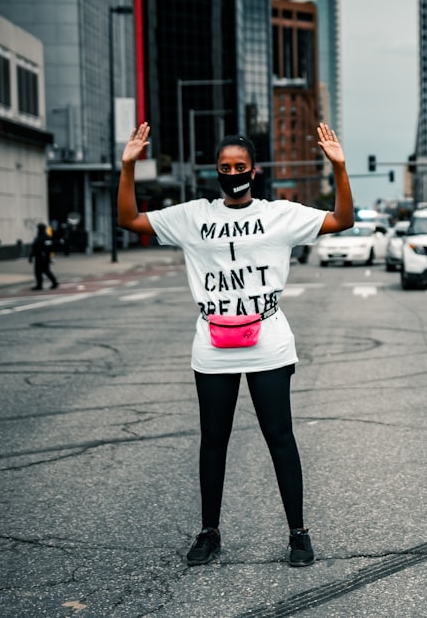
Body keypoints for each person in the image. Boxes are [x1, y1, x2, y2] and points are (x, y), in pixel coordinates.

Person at [117, 122, 354, 567]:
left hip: (268, 342)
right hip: (212, 344)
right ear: (216, 172)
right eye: (225, 167)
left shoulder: (278, 215)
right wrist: (128, 166)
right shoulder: (193, 217)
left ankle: (298, 534)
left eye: (240, 166)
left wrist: (339, 169)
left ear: (254, 170)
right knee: (214, 441)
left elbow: (342, 219)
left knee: (280, 438)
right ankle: (209, 532)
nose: (232, 173)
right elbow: (129, 219)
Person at [28, 223, 58, 290]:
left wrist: (31, 257)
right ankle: (54, 282)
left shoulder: (39, 238)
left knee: (38, 272)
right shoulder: (47, 237)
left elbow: (35, 248)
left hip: (39, 257)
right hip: (46, 257)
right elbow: (52, 247)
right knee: (46, 271)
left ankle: (39, 285)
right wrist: (49, 254)